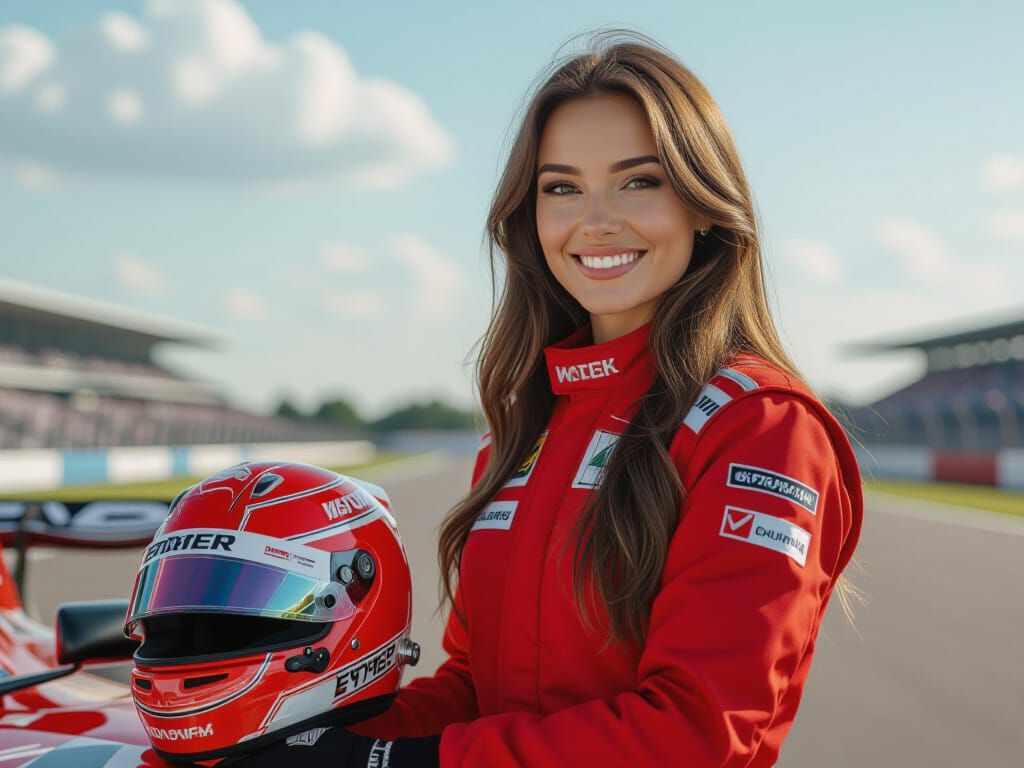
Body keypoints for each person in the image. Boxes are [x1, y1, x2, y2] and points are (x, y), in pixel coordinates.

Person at [229, 29, 863, 768]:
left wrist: (397, 765)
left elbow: (696, 735)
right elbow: (475, 689)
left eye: (639, 180)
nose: (596, 219)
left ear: (703, 204)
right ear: (528, 218)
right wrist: (315, 743)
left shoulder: (760, 426)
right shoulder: (524, 429)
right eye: (561, 188)